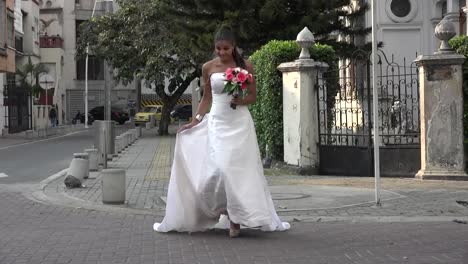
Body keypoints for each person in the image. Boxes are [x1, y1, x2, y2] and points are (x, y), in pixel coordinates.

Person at [153, 26, 290, 237]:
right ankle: (222, 211)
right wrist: (195, 121)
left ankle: (236, 219)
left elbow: (252, 96)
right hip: (217, 122)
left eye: (225, 48)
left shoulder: (246, 66)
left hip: (240, 123)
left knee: (238, 172)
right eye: (218, 48)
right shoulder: (208, 67)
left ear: (233, 47)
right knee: (219, 170)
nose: (221, 52)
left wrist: (240, 99)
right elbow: (206, 97)